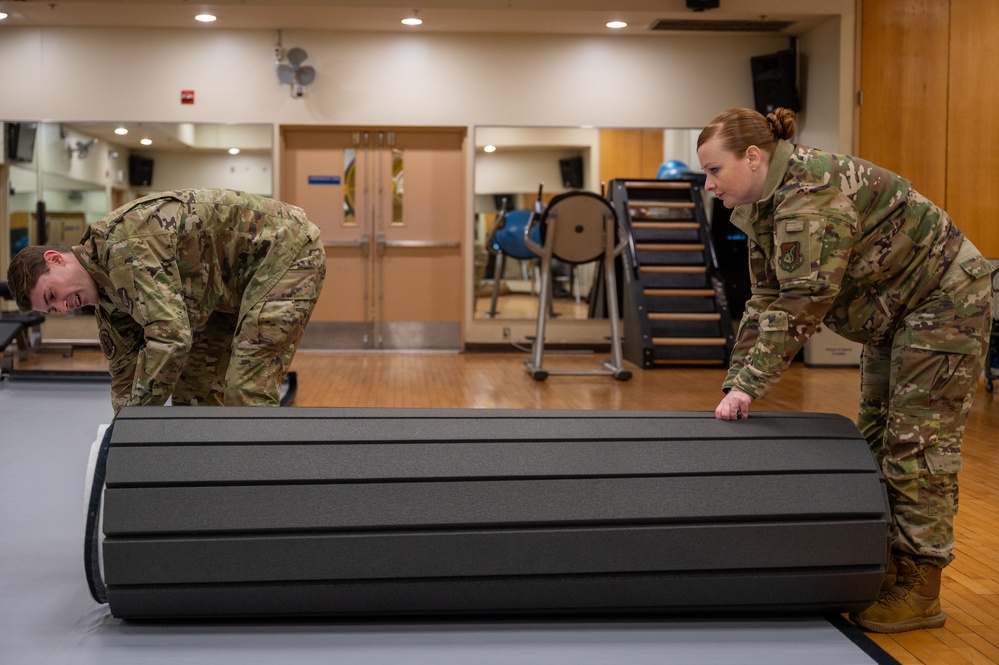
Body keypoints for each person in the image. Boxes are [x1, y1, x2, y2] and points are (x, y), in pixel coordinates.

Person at [697, 108, 993, 634]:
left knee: (917, 443)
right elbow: (766, 298)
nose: (709, 183)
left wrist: (749, 386)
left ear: (752, 156)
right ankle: (888, 564)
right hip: (896, 312)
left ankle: (921, 585)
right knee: (876, 433)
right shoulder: (764, 201)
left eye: (715, 170)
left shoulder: (810, 197)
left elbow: (805, 299)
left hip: (943, 303)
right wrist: (734, 384)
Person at [6, 188, 326, 414]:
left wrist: (137, 423)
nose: (63, 307)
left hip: (285, 252)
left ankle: (262, 493)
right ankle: (204, 484)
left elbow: (172, 338)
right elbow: (124, 375)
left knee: (247, 389)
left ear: (55, 259)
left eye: (52, 295)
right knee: (194, 397)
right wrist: (124, 435)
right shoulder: (107, 302)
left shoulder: (122, 252)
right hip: (225, 291)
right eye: (52, 309)